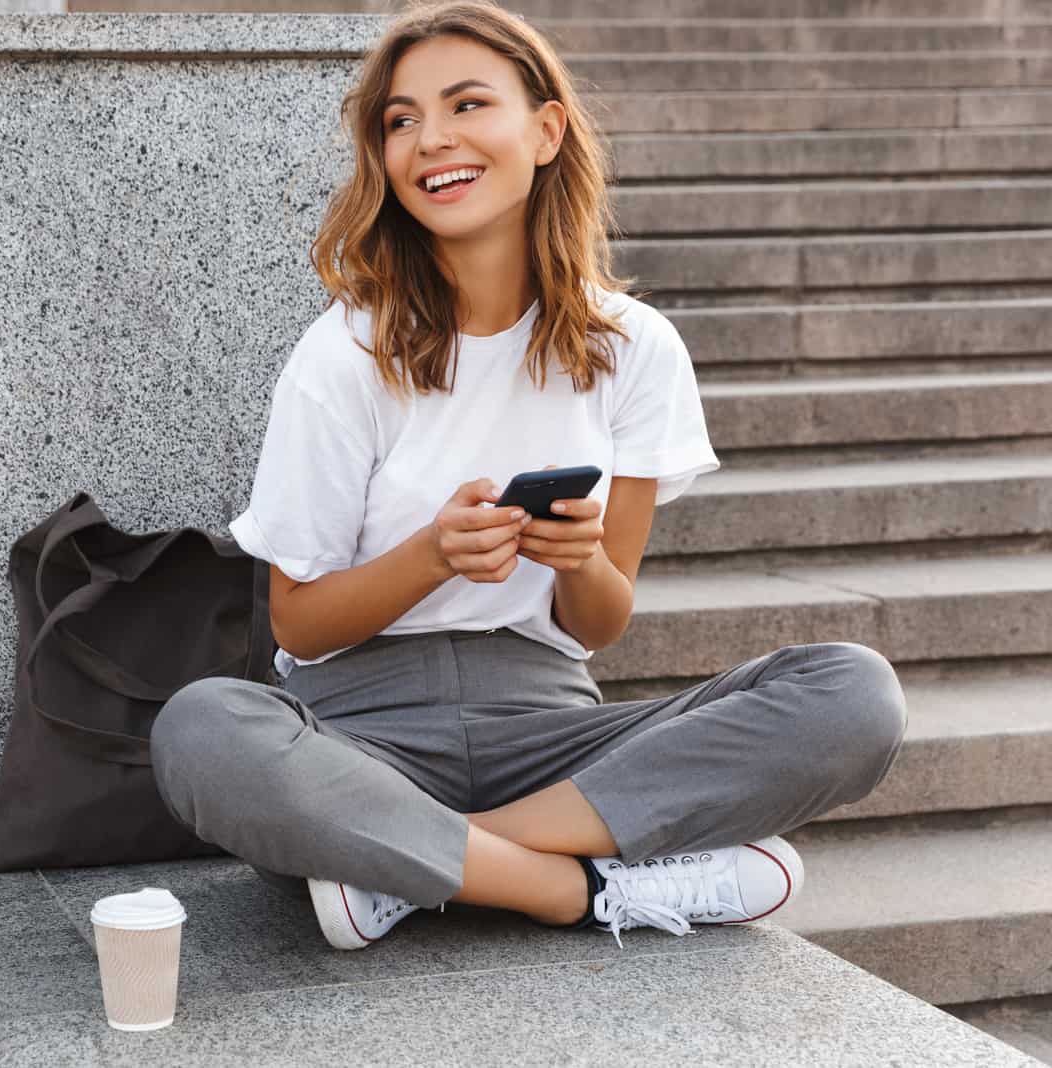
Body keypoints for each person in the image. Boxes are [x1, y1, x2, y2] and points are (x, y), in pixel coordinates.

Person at [149, 0, 908, 951]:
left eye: (468, 105)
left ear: (546, 129)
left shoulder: (635, 349)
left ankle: (410, 868)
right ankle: (576, 889)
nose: (433, 140)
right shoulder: (344, 352)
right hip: (358, 742)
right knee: (203, 730)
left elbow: (599, 622)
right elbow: (298, 619)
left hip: (552, 735)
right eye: (402, 120)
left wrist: (582, 561)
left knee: (853, 694)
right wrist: (432, 556)